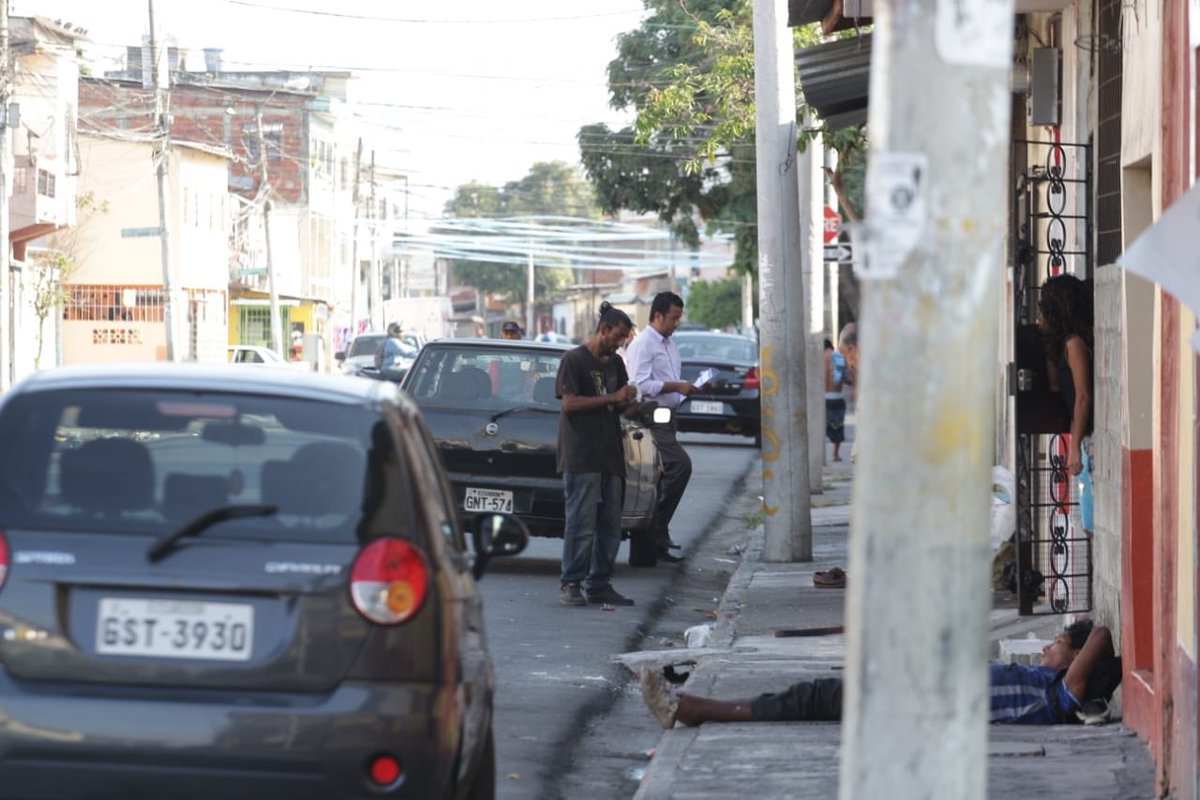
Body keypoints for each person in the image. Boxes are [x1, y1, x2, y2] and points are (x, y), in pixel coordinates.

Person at [640, 620, 1120, 729]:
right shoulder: (1048, 686)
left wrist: (1082, 654)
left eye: (1058, 645)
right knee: (816, 696)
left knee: (814, 700)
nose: (1048, 647)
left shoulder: (1060, 696)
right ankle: (693, 707)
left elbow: (1100, 634)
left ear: (1075, 660)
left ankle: (690, 708)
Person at [556, 301, 639, 607]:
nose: (619, 345)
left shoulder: (616, 364)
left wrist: (629, 401)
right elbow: (570, 404)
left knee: (610, 523)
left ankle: (599, 582)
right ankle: (572, 582)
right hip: (582, 453)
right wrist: (612, 397)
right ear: (603, 330)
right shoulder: (574, 360)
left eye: (624, 340)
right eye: (617, 337)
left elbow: (617, 405)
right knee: (581, 520)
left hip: (610, 453)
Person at [622, 292, 700, 564]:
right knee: (679, 466)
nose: (677, 323)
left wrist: (684, 389)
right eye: (673, 318)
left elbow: (668, 379)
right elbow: (639, 384)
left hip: (669, 414)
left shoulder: (669, 344)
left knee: (661, 476)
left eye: (679, 317)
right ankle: (653, 529)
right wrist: (676, 386)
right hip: (650, 415)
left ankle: (655, 538)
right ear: (657, 315)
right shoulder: (644, 344)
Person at [1039, 274, 1094, 533]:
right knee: (1089, 520)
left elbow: (1083, 396)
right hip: (1083, 440)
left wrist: (1073, 446)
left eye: (1045, 307)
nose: (1042, 315)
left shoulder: (1074, 344)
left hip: (1087, 439)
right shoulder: (1063, 345)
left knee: (1091, 520)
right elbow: (1054, 387)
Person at [824, 339, 848, 461]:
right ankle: (835, 454)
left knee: (821, 427)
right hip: (837, 397)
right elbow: (846, 378)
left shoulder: (817, 358)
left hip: (822, 398)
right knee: (837, 427)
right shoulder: (838, 356)